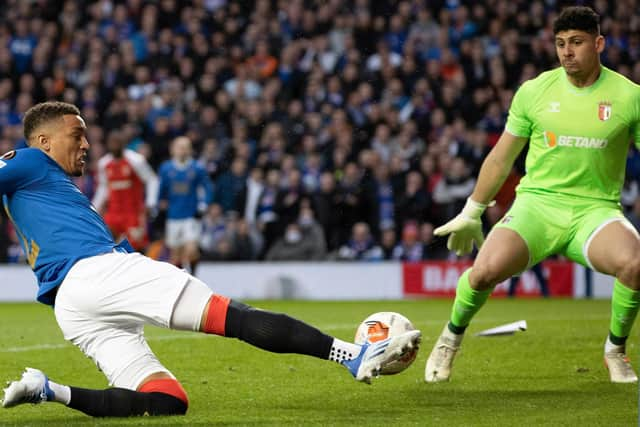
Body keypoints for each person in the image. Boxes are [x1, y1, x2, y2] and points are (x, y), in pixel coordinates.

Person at [0, 102, 421, 417]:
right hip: (100, 272)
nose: (86, 144)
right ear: (43, 141)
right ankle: (353, 356)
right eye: (78, 135)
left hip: (72, 305)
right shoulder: (29, 161)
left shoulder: (47, 181)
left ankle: (46, 390)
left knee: (167, 401)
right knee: (233, 317)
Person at [425, 6, 640, 384]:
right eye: (560, 44)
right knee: (483, 274)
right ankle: (450, 338)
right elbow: (501, 157)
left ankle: (615, 350)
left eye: (576, 42)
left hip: (595, 211)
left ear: (599, 43)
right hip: (537, 206)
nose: (566, 52)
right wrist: (472, 210)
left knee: (636, 265)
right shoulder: (535, 91)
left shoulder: (629, 97)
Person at [92, 129, 158, 251]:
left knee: (136, 248)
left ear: (124, 143)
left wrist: (151, 203)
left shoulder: (136, 160)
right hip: (113, 212)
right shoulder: (104, 164)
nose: (115, 145)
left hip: (133, 213)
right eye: (112, 143)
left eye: (117, 142)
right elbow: (103, 187)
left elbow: (152, 180)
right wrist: (94, 208)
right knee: (105, 242)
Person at [157, 136, 214, 274]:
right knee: (176, 254)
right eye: (179, 147)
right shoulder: (166, 169)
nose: (182, 150)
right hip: (173, 216)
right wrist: (159, 204)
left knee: (191, 250)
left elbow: (207, 187)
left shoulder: (197, 168)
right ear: (173, 150)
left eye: (185, 147)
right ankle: (181, 283)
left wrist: (204, 204)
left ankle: (194, 276)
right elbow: (161, 190)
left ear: (190, 150)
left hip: (190, 215)